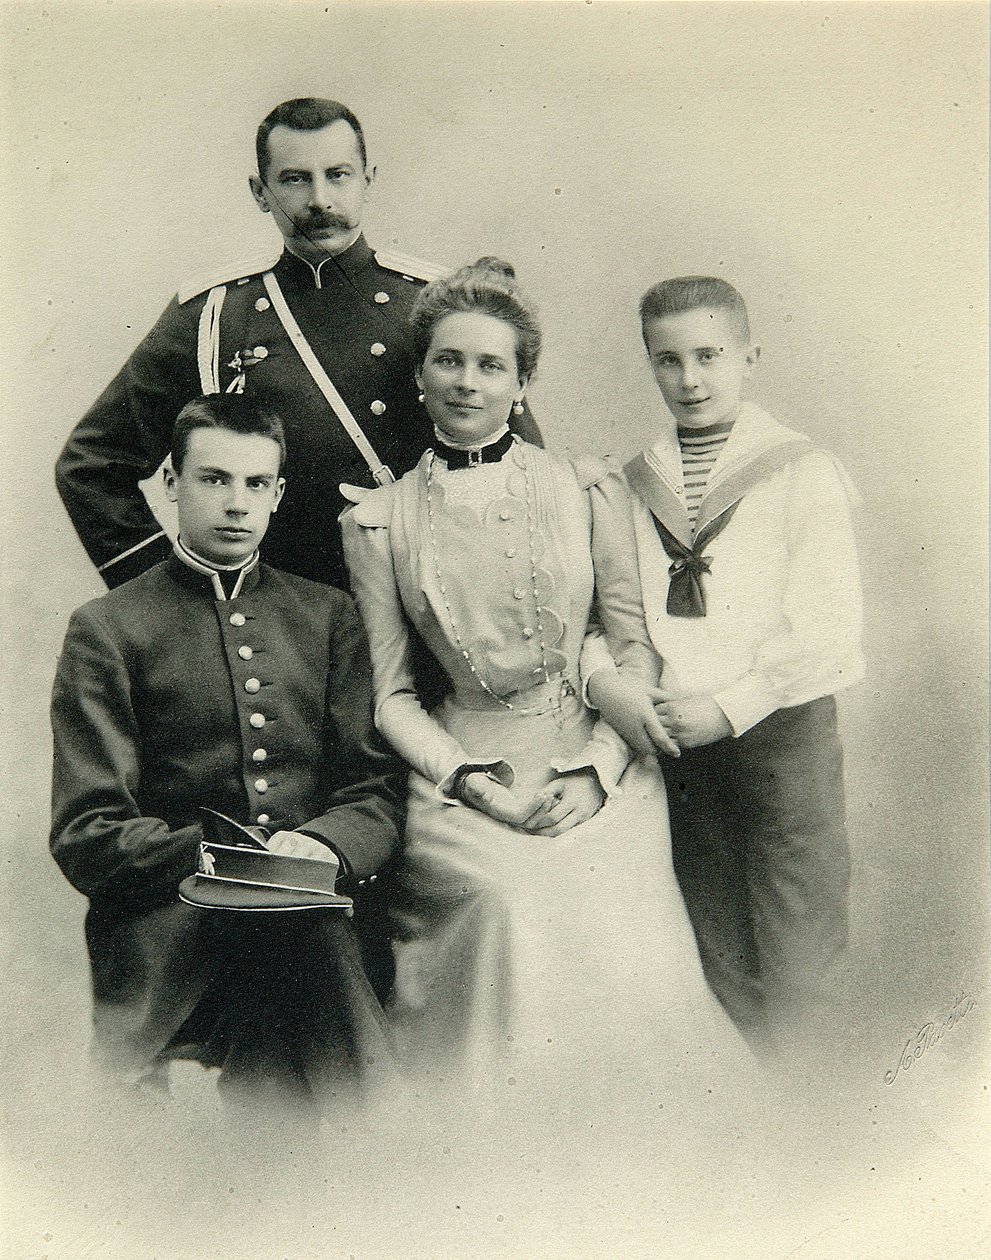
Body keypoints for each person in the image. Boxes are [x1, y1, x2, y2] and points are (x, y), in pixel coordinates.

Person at [340, 258, 745, 1107]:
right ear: (418, 375)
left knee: (600, 893)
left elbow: (630, 651)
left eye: (492, 365)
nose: (467, 382)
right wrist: (467, 783)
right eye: (448, 361)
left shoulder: (585, 488)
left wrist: (597, 772)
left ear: (522, 380)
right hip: (461, 767)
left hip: (595, 754)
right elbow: (391, 696)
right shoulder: (379, 521)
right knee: (500, 900)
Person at [50, 395, 405, 1109]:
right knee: (313, 972)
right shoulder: (108, 629)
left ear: (277, 495)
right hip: (170, 926)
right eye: (213, 480)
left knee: (312, 955)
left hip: (313, 915)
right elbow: (88, 833)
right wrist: (227, 862)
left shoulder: (328, 616)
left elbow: (373, 791)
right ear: (172, 484)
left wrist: (326, 847)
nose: (235, 503)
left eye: (254, 484)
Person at [54, 97, 540, 592]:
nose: (320, 200)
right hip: (287, 625)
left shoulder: (436, 305)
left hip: (435, 605)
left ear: (368, 180)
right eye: (294, 179)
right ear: (260, 192)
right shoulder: (215, 316)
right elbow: (90, 466)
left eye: (338, 174)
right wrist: (177, 596)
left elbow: (521, 462)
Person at [587, 276, 865, 1053]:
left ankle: (818, 1118)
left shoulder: (798, 471)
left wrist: (731, 706)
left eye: (709, 355)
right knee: (714, 942)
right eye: (667, 361)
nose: (690, 379)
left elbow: (829, 630)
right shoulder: (636, 480)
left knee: (798, 940)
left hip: (780, 734)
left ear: (747, 355)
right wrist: (626, 690)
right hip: (678, 741)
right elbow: (611, 610)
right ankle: (765, 1126)